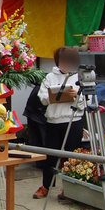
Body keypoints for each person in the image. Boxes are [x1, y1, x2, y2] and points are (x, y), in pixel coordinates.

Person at [34, 46, 86, 199]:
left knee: (72, 157)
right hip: (54, 121)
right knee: (51, 156)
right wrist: (53, 95)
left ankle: (69, 189)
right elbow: (42, 97)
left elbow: (89, 99)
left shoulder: (79, 77)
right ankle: (46, 186)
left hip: (73, 120)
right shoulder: (50, 77)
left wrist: (77, 95)